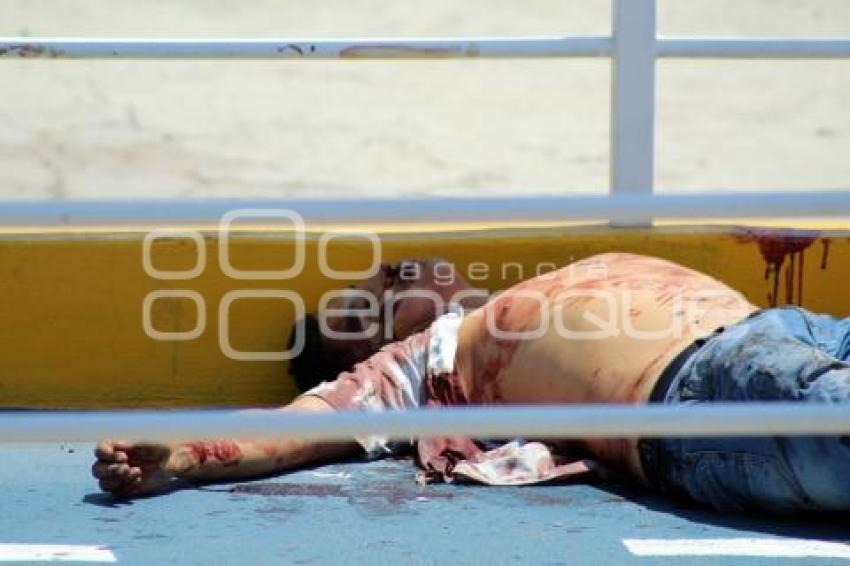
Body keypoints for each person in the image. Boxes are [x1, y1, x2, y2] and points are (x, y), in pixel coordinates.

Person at [92, 254, 850, 513]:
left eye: (381, 275)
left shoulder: (521, 294)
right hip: (702, 396)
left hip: (796, 330)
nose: (391, 272)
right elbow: (297, 431)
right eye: (369, 305)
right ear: (378, 347)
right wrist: (183, 454)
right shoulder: (429, 366)